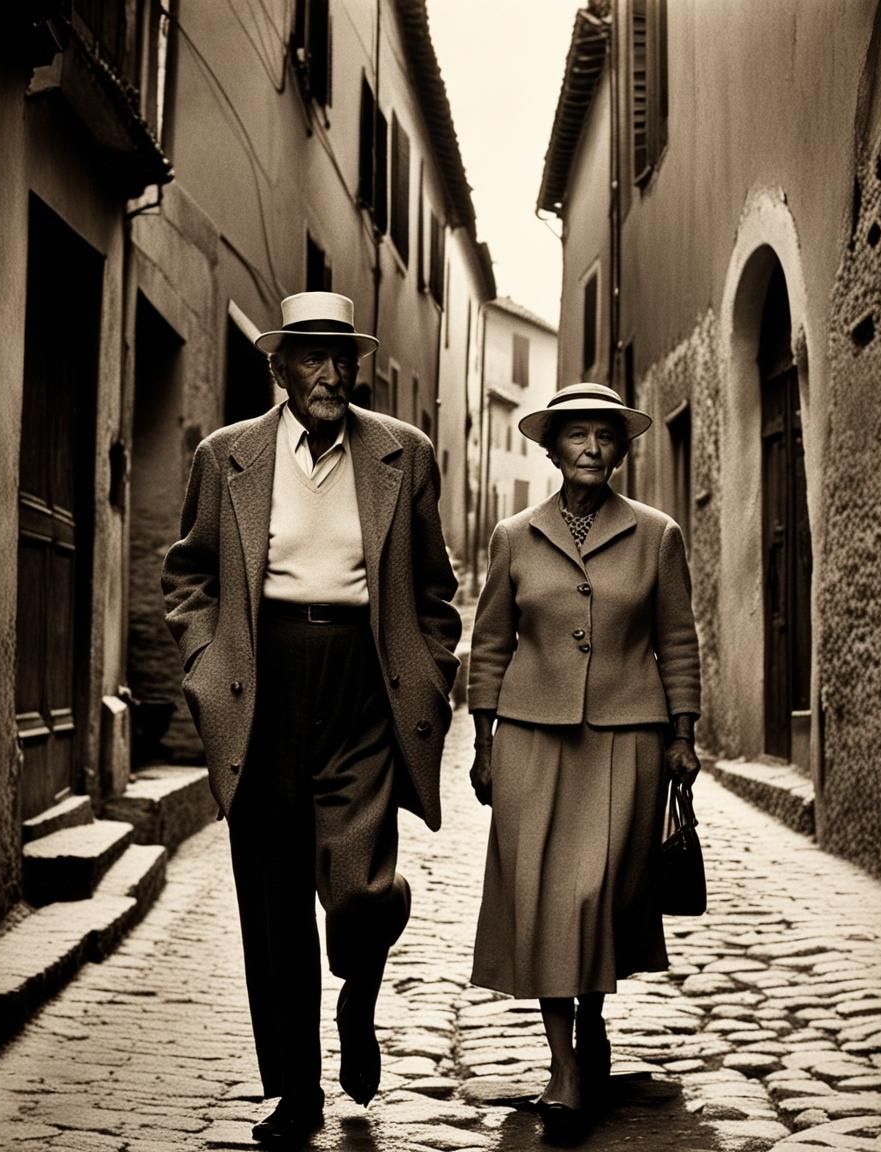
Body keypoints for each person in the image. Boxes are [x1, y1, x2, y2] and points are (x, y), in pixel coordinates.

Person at [161, 291, 461, 1148]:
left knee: (359, 890)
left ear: (355, 366)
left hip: (362, 687)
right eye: (310, 356)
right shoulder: (228, 457)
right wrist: (201, 662)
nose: (329, 373)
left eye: (342, 357)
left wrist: (431, 672)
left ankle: (358, 988)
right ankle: (295, 1089)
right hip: (258, 688)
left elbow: (434, 591)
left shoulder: (406, 454)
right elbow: (186, 575)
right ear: (279, 366)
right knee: (273, 902)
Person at [467, 382, 701, 1141]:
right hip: (533, 738)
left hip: (626, 737)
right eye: (577, 435)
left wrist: (683, 734)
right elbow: (492, 644)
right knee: (542, 898)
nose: (593, 446)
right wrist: (482, 742)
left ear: (622, 448)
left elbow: (677, 641)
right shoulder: (514, 536)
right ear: (552, 449)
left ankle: (591, 1021)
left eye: (606, 435)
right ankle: (565, 1064)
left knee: (595, 895)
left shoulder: (657, 535)